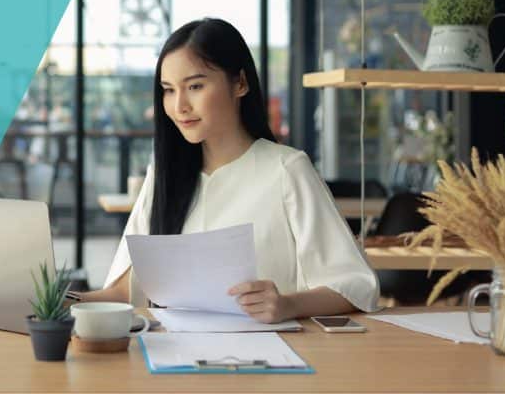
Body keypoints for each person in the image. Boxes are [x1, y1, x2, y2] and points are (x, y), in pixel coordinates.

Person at [75, 18, 379, 322]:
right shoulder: (164, 176)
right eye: (168, 90)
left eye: (195, 86)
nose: (179, 105)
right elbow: (123, 292)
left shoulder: (287, 170)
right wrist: (52, 300)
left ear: (240, 84)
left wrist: (288, 305)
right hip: (172, 358)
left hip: (269, 359)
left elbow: (356, 285)